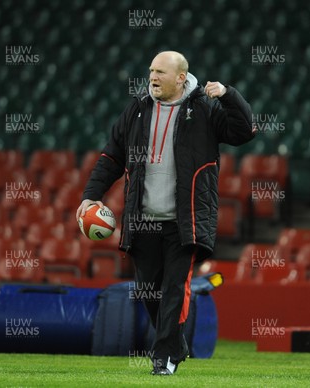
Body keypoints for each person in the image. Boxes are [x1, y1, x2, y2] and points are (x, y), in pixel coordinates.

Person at [76, 51, 254, 375]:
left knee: (174, 289)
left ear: (181, 78)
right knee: (150, 293)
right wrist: (90, 196)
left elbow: (244, 131)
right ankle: (177, 344)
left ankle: (163, 360)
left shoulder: (204, 108)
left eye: (160, 72)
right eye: (151, 71)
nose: (153, 77)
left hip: (184, 221)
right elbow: (112, 156)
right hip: (143, 220)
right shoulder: (138, 109)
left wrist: (229, 96)